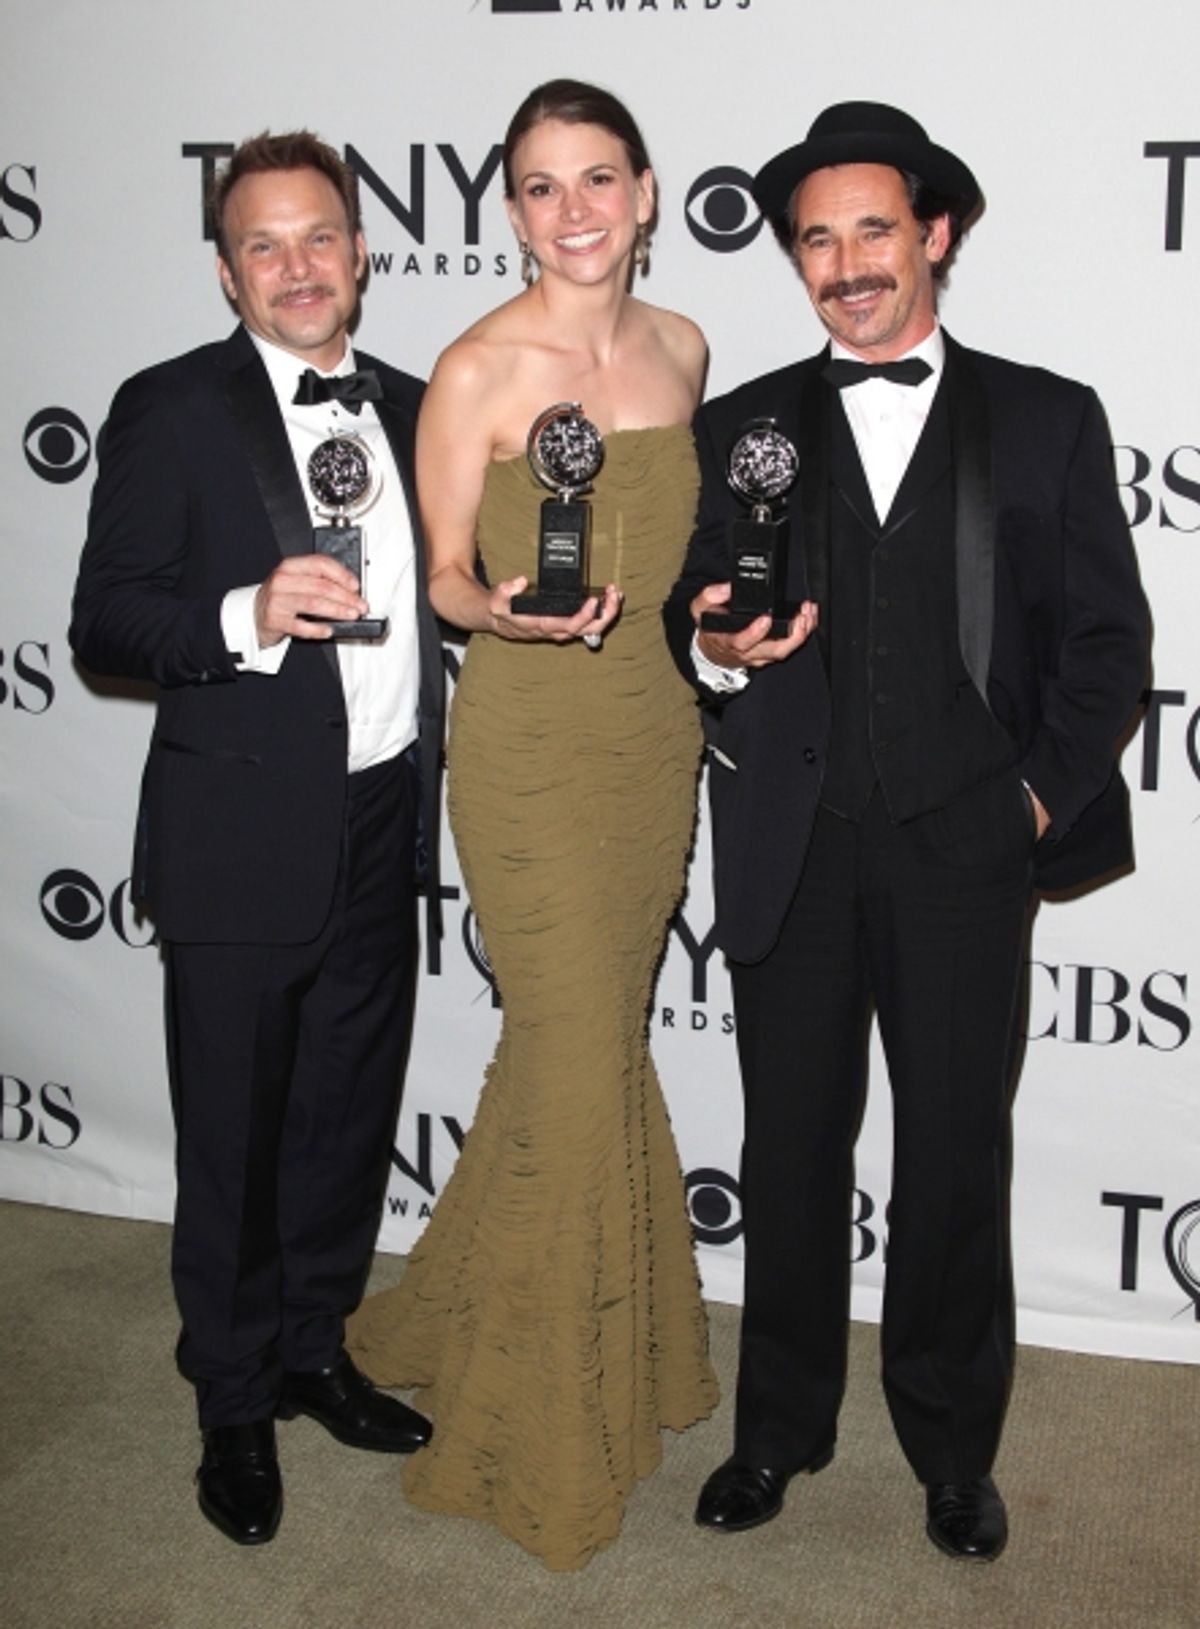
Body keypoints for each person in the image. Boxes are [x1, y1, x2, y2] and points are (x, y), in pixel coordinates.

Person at [665, 102, 1147, 1561]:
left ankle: (951, 1445)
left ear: (934, 233)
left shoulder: (1046, 415)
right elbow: (703, 609)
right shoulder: (741, 421)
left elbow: (1109, 645)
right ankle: (779, 1431)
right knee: (792, 1144)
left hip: (963, 845)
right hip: (794, 846)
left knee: (950, 1155)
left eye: (873, 228)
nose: (847, 262)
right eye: (819, 237)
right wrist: (712, 650)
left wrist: (1031, 798)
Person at [346, 79, 718, 1571]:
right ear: (511, 211)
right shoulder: (474, 367)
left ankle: (457, 1310)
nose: (571, 212)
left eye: (596, 180)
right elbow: (440, 572)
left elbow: (691, 557)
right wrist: (486, 601)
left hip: (650, 741)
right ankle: (549, 1428)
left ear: (643, 192)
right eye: (539, 187)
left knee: (583, 1048)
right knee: (576, 1049)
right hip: (527, 750)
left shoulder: (685, 348)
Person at [70, 131, 445, 1547]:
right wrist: (239, 615)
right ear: (228, 269)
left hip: (381, 812)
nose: (297, 266)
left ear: (360, 250)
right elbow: (105, 621)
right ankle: (230, 1396)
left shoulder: (417, 406)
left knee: (348, 1112)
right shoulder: (170, 408)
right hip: (237, 827)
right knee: (233, 1132)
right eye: (265, 244)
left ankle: (310, 1347)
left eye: (320, 237)